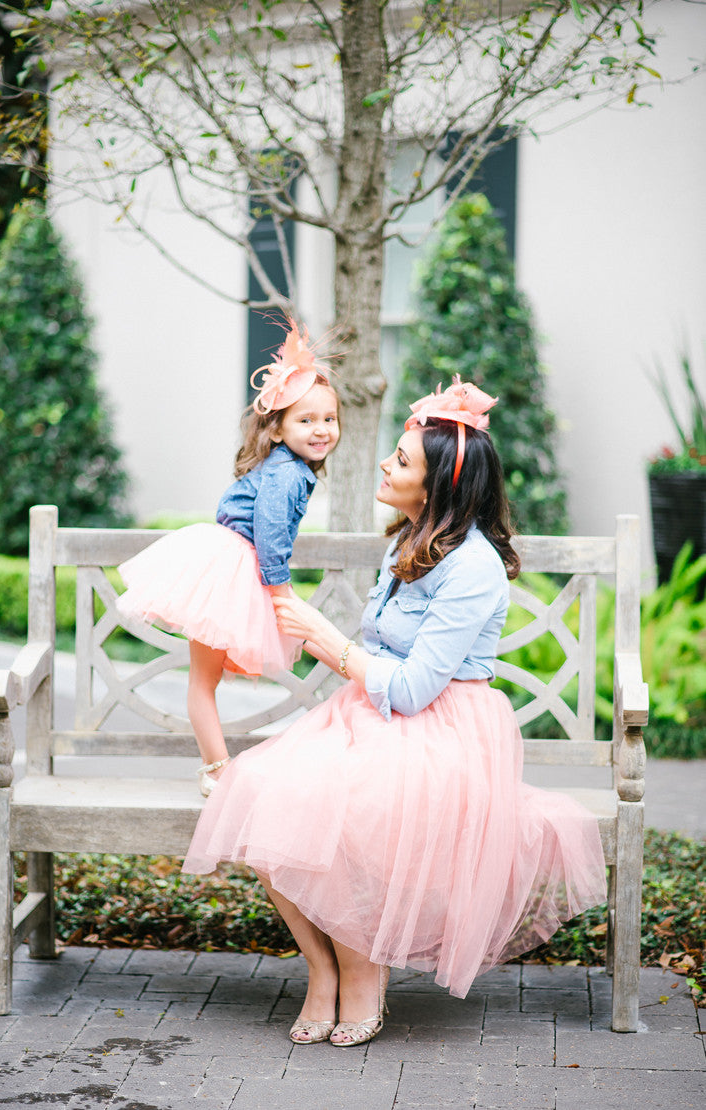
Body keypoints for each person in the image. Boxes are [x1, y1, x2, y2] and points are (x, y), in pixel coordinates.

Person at [182, 377, 607, 1048]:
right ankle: (320, 969)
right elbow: (372, 659)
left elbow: (411, 690)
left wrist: (326, 636)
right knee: (258, 792)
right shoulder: (406, 541)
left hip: (441, 730)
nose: (384, 463)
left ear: (439, 487)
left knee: (346, 815)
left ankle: (361, 973)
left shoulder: (472, 569)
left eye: (402, 461)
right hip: (367, 716)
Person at [117, 320, 340, 796]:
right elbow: (272, 535)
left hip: (226, 564)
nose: (321, 430)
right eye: (306, 420)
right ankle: (217, 771)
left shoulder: (288, 467)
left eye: (329, 419)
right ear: (277, 429)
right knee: (216, 673)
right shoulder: (287, 475)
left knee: (204, 679)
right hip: (232, 570)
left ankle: (217, 769)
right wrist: (281, 595)